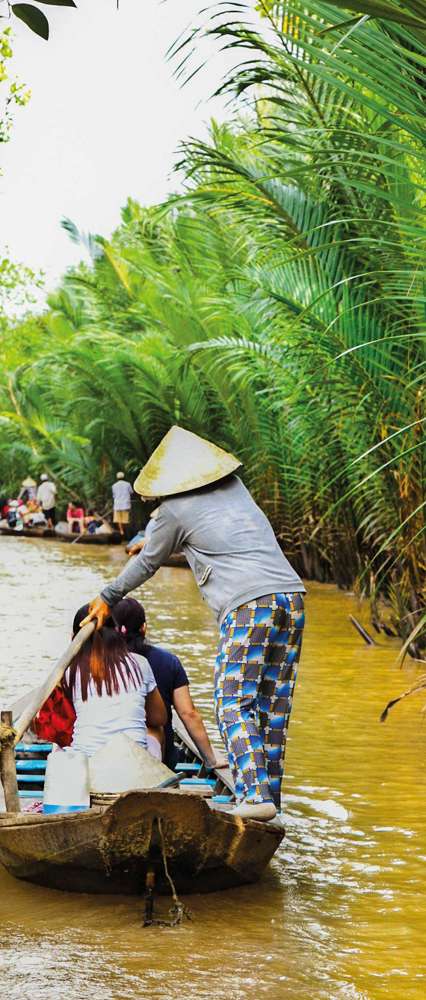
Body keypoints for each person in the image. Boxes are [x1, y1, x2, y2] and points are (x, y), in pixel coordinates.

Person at [81, 426, 305, 822]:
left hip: (248, 604)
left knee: (232, 699)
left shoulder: (172, 511)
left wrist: (106, 597)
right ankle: (270, 800)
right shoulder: (237, 488)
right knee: (272, 707)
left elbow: (149, 562)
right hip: (291, 597)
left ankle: (254, 794)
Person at [112, 597, 226, 770]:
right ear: (144, 627)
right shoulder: (168, 661)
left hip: (109, 751)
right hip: (160, 757)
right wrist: (211, 760)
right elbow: (188, 713)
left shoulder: (99, 664)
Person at [61, 604, 167, 759]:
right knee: (156, 730)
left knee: (59, 742)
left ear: (75, 637)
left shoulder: (69, 670)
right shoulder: (140, 663)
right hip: (133, 760)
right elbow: (159, 718)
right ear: (116, 633)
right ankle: (156, 777)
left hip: (88, 759)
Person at [112, 471, 133, 538]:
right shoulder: (128, 484)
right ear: (123, 477)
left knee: (119, 520)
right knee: (126, 520)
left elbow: (114, 495)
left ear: (117, 478)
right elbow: (131, 492)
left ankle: (121, 531)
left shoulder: (114, 485)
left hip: (117, 505)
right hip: (125, 504)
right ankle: (127, 534)